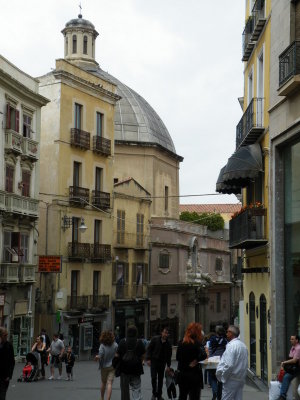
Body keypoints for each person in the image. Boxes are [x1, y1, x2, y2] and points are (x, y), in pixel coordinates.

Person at [176, 322, 207, 400]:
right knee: (194, 397)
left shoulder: (181, 342)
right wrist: (197, 360)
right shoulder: (197, 343)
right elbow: (204, 355)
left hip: (182, 374)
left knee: (182, 396)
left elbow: (177, 357)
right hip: (194, 375)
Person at [216, 325, 248, 400]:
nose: (226, 334)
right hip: (240, 378)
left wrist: (223, 377)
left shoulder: (231, 346)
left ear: (231, 333)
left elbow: (229, 365)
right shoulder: (243, 345)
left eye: (227, 332)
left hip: (231, 379)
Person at [115, 325, 146, 400]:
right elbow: (144, 354)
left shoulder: (122, 341)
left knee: (124, 390)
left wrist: (116, 365)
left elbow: (117, 355)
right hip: (136, 369)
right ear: (136, 333)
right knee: (136, 388)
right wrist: (141, 361)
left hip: (124, 370)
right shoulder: (139, 342)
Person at [146, 326, 172, 400]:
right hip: (154, 362)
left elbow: (169, 356)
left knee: (160, 380)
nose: (165, 334)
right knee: (153, 378)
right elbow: (149, 349)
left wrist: (168, 366)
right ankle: (154, 394)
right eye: (164, 332)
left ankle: (159, 395)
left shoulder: (168, 344)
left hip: (162, 363)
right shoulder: (155, 339)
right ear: (162, 332)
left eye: (167, 333)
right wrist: (148, 359)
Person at [95, 330, 118, 400]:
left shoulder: (102, 345)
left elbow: (100, 355)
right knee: (109, 383)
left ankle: (102, 398)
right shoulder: (115, 345)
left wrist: (97, 357)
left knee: (103, 382)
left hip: (104, 366)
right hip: (112, 366)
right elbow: (117, 354)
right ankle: (108, 399)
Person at [278, 334, 300, 400]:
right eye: (290, 339)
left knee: (286, 377)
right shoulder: (292, 348)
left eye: (292, 339)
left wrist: (284, 362)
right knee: (282, 375)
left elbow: (294, 360)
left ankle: (282, 396)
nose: (291, 340)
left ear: (297, 340)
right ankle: (281, 394)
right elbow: (290, 357)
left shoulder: (298, 348)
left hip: (298, 368)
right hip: (293, 368)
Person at [208, 326, 227, 400]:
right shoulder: (225, 340)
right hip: (222, 360)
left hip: (213, 359)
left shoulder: (212, 339)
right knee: (220, 379)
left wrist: (209, 357)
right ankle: (219, 396)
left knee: (212, 378)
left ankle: (214, 392)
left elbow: (210, 350)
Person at [0, 327, 15, 400]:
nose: (6, 336)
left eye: (7, 335)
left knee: (2, 396)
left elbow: (12, 362)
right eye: (4, 335)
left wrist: (9, 375)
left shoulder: (9, 346)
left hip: (4, 376)